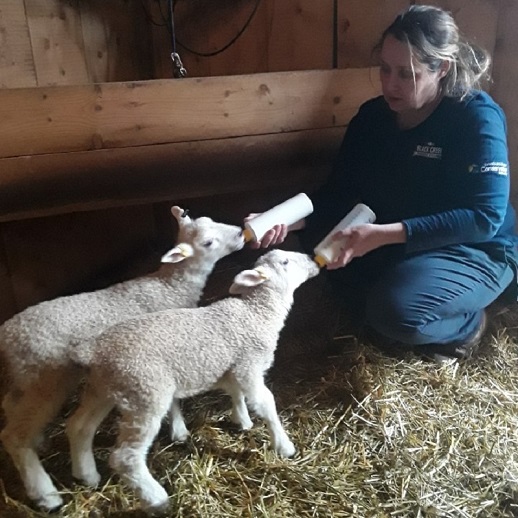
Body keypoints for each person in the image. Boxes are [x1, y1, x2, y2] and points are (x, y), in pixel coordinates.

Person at [247, 4, 518, 362]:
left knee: (394, 310)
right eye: (385, 69)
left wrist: (384, 235)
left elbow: (485, 217)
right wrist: (287, 220)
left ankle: (468, 326)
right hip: (403, 241)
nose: (390, 84)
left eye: (407, 74)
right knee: (326, 259)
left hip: (474, 247)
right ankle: (405, 300)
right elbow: (337, 195)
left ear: (442, 69)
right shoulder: (373, 118)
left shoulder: (475, 117)